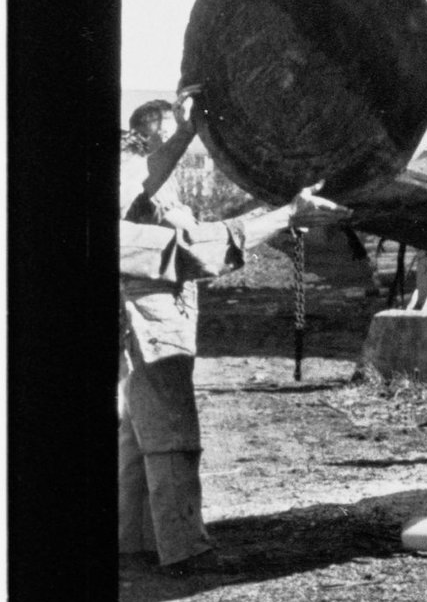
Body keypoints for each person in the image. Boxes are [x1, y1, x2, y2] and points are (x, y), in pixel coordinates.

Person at [119, 99, 346, 569]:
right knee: (171, 434)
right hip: (148, 320)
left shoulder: (139, 191)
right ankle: (184, 550)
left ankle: (137, 542)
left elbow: (149, 176)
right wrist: (286, 215)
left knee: (139, 435)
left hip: (157, 314)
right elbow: (193, 252)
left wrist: (186, 128)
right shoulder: (125, 224)